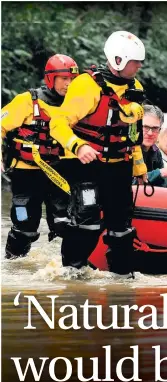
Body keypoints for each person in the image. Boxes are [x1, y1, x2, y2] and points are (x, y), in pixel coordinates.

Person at [50, 31, 148, 277]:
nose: (139, 66)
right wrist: (78, 146)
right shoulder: (87, 85)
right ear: (118, 60)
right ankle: (71, 274)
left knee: (121, 229)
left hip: (119, 167)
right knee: (88, 223)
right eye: (135, 61)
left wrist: (140, 168)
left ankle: (122, 279)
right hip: (86, 165)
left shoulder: (135, 87)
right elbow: (58, 123)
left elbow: (132, 136)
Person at [1, 54, 79, 258]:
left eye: (72, 79)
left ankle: (60, 272)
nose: (69, 85)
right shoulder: (27, 101)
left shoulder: (78, 106)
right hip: (26, 174)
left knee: (64, 226)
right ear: (51, 78)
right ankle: (12, 266)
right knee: (24, 228)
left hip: (60, 174)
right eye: (64, 79)